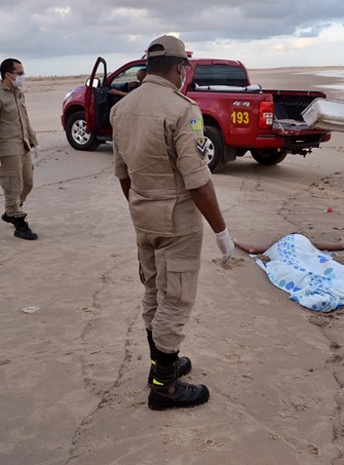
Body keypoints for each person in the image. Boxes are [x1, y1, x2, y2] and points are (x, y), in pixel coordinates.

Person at [110, 35, 234, 410]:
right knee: (176, 299)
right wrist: (221, 231)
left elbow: (122, 173)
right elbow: (197, 179)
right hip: (177, 222)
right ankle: (164, 386)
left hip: (143, 217)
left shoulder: (122, 108)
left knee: (153, 292)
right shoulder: (183, 110)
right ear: (181, 68)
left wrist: (141, 205)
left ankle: (160, 363)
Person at [0, 58, 40, 240]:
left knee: (28, 182)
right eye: (19, 73)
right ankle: (18, 220)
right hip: (7, 149)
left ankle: (11, 210)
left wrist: (34, 141)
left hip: (23, 145)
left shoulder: (19, 94)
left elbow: (25, 119)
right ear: (8, 75)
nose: (22, 77)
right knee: (13, 185)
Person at [233, 234, 344, 254]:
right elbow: (340, 246)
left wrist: (236, 241)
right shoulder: (311, 244)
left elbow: (252, 249)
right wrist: (343, 238)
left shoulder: (277, 244)